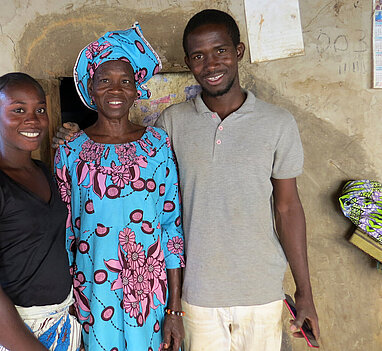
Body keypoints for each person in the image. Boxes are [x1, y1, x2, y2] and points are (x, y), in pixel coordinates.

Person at [54, 10, 320, 351]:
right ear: (188, 62)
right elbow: (69, 226)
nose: (211, 64)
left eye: (220, 51)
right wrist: (68, 137)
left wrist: (305, 292)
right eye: (199, 56)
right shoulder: (170, 126)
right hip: (194, 296)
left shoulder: (277, 123)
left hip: (258, 291)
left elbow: (288, 208)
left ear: (238, 51)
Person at [54, 23, 185, 351]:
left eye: (125, 81)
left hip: (152, 299)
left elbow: (171, 230)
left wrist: (174, 308)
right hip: (93, 298)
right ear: (91, 88)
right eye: (105, 81)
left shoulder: (158, 145)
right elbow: (64, 232)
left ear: (136, 89)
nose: (116, 89)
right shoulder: (70, 151)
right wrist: (68, 306)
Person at [0, 73, 82, 351]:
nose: (33, 119)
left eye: (40, 110)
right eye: (18, 110)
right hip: (11, 335)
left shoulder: (45, 173)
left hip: (58, 324)